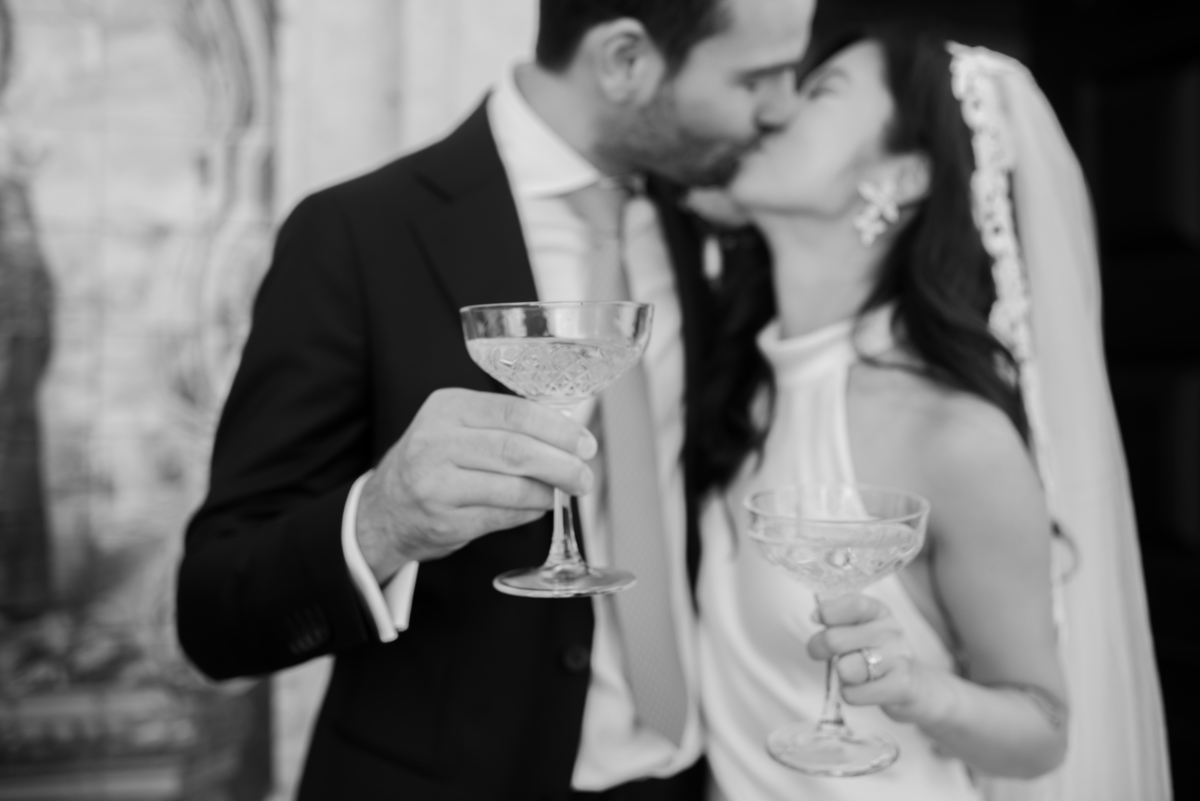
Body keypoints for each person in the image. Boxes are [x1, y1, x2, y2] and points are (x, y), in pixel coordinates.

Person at [175, 0, 813, 798]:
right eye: (757, 76)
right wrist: (382, 518)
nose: (785, 105)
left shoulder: (705, 215)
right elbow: (212, 612)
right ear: (624, 61)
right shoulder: (359, 233)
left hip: (686, 773)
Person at [693, 24, 1172, 801]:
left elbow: (1042, 728)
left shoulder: (951, 436)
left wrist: (914, 686)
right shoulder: (738, 384)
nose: (775, 111)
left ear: (907, 173)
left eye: (822, 92)